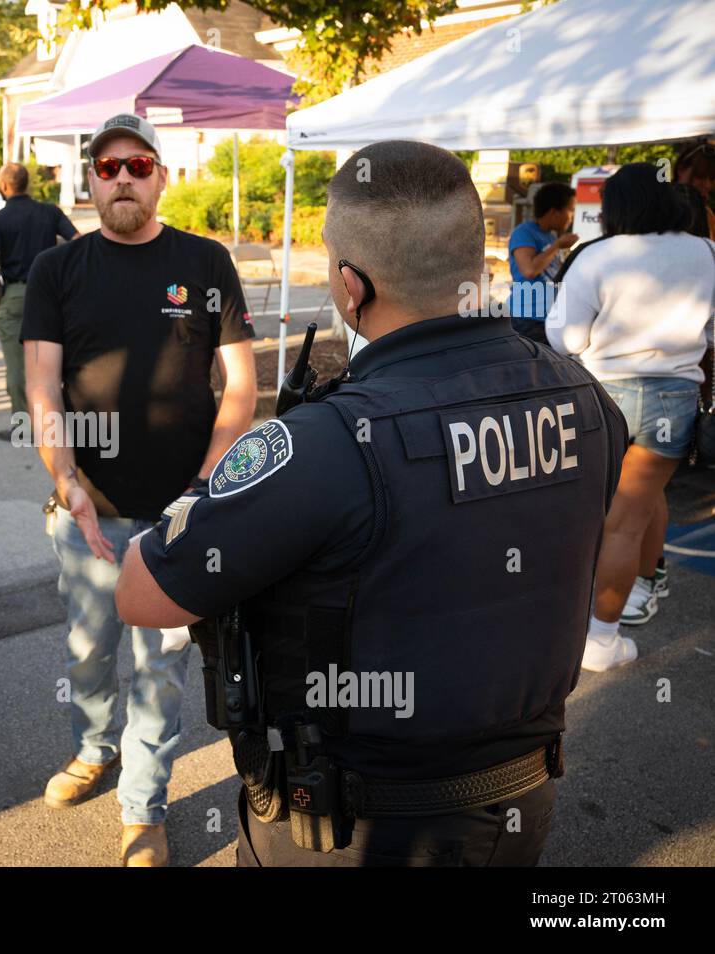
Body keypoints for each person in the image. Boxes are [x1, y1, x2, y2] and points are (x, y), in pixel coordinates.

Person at [114, 140, 627, 868]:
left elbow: (143, 593)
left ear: (351, 287)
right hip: (520, 803)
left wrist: (214, 485)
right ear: (470, 268)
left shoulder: (325, 443)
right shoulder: (583, 396)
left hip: (352, 829)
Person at [22, 113, 257, 866]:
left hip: (181, 515)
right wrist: (67, 479)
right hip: (87, 511)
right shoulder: (58, 271)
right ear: (89, 179)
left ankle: (143, 808)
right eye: (108, 165)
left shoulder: (206, 260)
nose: (123, 177)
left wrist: (202, 487)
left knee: (162, 668)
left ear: (161, 176)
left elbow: (242, 386)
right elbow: (41, 388)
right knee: (89, 655)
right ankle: (93, 748)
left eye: (138, 164)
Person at [548, 163, 715, 664]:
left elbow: (566, 338)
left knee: (593, 514)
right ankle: (605, 632)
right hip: (673, 398)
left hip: (601, 397)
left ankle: (588, 633)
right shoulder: (706, 252)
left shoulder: (598, 256)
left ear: (617, 208)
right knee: (628, 518)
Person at [0, 162, 78, 437]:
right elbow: (78, 241)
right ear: (28, 184)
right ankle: (58, 421)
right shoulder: (49, 212)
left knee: (16, 365)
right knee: (56, 360)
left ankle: (24, 427)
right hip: (50, 294)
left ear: (4, 186)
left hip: (13, 294)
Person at [507, 181, 576, 343]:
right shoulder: (524, 232)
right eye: (570, 210)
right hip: (526, 318)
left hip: (546, 319)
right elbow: (529, 270)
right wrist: (558, 245)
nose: (571, 217)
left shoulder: (550, 236)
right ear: (554, 212)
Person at [674, 141, 715, 238]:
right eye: (700, 176)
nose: (707, 185)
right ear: (681, 170)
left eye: (712, 178)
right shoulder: (662, 205)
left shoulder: (707, 213)